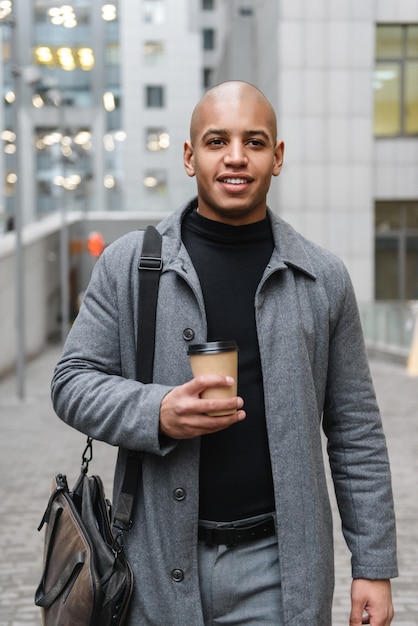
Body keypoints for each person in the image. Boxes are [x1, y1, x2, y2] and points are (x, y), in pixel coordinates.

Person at [51, 81, 398, 625]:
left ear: (277, 157)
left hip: (279, 574)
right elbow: (71, 381)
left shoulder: (322, 278)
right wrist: (157, 412)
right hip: (150, 566)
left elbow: (356, 432)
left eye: (254, 142)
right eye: (217, 141)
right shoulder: (129, 266)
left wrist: (372, 566)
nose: (236, 157)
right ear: (190, 157)